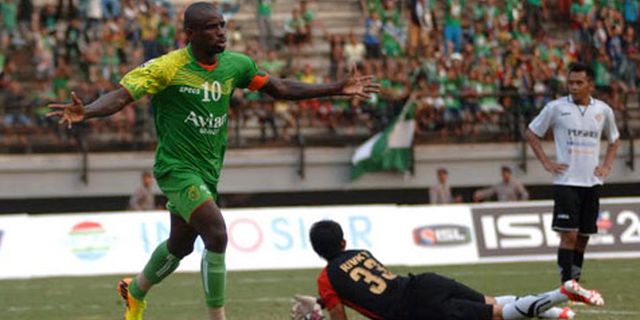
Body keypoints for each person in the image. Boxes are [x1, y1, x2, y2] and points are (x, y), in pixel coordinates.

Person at [47, 3, 380, 320]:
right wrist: (87, 110)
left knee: (180, 246)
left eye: (222, 25)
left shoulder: (235, 64)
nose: (221, 32)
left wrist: (336, 88)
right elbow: (122, 96)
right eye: (211, 28)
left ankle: (135, 290)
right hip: (176, 169)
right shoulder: (167, 67)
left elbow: (279, 88)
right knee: (217, 234)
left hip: (208, 170)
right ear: (189, 34)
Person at [291, 220, 605, 320]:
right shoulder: (360, 252)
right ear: (344, 240)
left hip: (416, 309)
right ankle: (556, 313)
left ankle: (561, 294)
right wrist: (317, 304)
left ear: (316, 251)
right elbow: (363, 285)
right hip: (423, 283)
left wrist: (314, 314)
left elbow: (340, 315)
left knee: (497, 316)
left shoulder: (325, 278)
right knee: (492, 303)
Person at [525, 62, 620, 284]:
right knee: (569, 235)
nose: (574, 87)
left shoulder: (603, 110)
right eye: (570, 82)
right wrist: (547, 162)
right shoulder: (556, 108)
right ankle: (566, 284)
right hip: (566, 182)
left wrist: (606, 166)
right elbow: (531, 133)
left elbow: (614, 140)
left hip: (592, 182)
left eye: (579, 83)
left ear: (590, 85)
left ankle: (575, 280)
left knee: (583, 236)